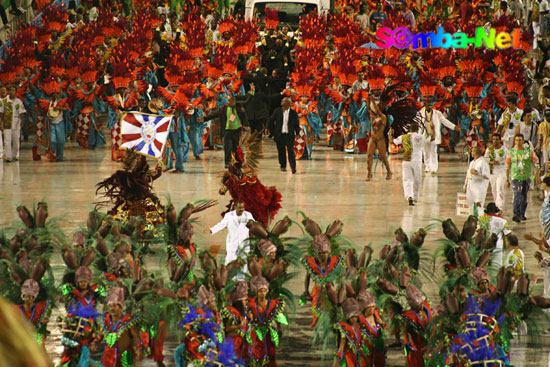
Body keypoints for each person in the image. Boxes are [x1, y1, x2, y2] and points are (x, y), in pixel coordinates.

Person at [247, 275, 287, 367]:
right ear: (256, 292)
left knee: (269, 356)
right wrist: (249, 318)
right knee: (253, 355)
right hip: (255, 334)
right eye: (260, 291)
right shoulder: (251, 304)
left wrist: (279, 328)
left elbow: (277, 317)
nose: (262, 294)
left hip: (268, 334)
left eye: (264, 291)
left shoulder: (273, 304)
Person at [201, 95, 250, 168]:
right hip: (227, 131)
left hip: (236, 131)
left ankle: (236, 161)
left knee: (235, 147)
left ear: (233, 101)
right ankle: (227, 163)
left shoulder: (239, 108)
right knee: (227, 147)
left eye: (229, 100)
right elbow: (214, 115)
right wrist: (204, 118)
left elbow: (244, 117)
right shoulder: (224, 109)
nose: (227, 102)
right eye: (227, 100)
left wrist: (246, 126)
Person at [390, 124, 432, 205]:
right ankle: (415, 197)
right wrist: (432, 130)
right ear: (417, 129)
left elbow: (392, 142)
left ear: (409, 129)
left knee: (407, 179)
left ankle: (409, 196)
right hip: (417, 161)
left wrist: (390, 134)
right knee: (417, 180)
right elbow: (431, 139)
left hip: (406, 161)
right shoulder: (421, 137)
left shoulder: (403, 137)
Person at [208, 200, 255, 269]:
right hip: (232, 242)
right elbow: (222, 225)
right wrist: (212, 230)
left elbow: (254, 225)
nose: (241, 209)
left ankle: (241, 278)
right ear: (235, 207)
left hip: (244, 243)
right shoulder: (229, 215)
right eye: (239, 208)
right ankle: (229, 277)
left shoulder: (248, 215)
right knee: (229, 261)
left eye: (242, 207)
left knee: (244, 262)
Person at [418, 97, 458, 174]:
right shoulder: (420, 113)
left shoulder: (437, 113)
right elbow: (415, 122)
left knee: (433, 152)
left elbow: (445, 121)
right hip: (424, 135)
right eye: (427, 105)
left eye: (430, 105)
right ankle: (427, 166)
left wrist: (454, 127)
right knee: (425, 152)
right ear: (424, 105)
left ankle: (434, 168)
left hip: (434, 135)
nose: (429, 107)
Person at [506, 134, 540, 222]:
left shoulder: (529, 151)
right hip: (515, 177)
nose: (518, 142)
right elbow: (507, 165)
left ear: (523, 141)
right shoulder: (511, 152)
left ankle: (522, 213)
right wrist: (507, 179)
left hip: (526, 177)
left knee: (524, 196)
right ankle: (516, 214)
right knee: (517, 194)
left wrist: (537, 175)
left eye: (520, 140)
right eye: (516, 140)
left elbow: (536, 162)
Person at [268, 97, 300, 174]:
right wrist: (269, 129)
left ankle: (293, 167)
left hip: (289, 135)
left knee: (290, 151)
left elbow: (296, 124)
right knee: (281, 151)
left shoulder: (293, 113)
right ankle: (283, 166)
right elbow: (271, 119)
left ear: (289, 103)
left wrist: (297, 133)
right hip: (280, 135)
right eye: (282, 100)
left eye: (284, 101)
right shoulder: (277, 111)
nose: (282, 102)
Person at [478, 203, 511, 267]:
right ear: (496, 210)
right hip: (498, 247)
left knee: (483, 267)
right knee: (496, 267)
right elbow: (508, 234)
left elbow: (479, 232)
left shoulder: (481, 219)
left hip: (484, 246)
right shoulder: (503, 220)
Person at [464, 146, 490, 216]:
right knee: (470, 204)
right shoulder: (472, 162)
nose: (471, 152)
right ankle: (471, 219)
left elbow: (487, 176)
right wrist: (465, 185)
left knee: (479, 205)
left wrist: (477, 173)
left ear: (476, 152)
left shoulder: (483, 163)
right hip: (470, 186)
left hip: (479, 187)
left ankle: (480, 221)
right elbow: (468, 174)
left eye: (472, 151)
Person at [485, 134, 508, 209]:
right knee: (494, 190)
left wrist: (500, 162)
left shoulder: (504, 149)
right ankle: (496, 206)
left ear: (500, 140)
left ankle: (500, 207)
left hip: (501, 172)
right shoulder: (489, 149)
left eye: (497, 139)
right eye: (494, 139)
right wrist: (491, 162)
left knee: (499, 189)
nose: (495, 141)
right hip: (492, 173)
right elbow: (485, 159)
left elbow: (508, 160)